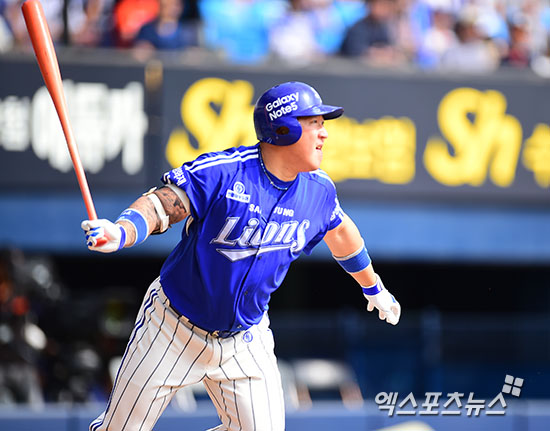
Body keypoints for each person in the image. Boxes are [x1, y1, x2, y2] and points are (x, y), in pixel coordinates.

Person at [81, 81, 401, 431]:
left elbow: (339, 231)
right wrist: (123, 230)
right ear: (284, 127)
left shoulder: (318, 189)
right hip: (172, 327)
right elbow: (163, 205)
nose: (324, 133)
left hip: (245, 337)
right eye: (314, 123)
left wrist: (374, 288)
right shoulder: (225, 170)